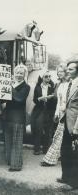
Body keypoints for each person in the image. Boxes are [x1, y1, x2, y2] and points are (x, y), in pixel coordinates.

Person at [3, 65, 30, 171]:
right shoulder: (11, 84)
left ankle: (16, 165)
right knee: (8, 140)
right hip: (8, 115)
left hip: (18, 117)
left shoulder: (26, 87)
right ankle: (10, 161)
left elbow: (19, 98)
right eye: (17, 73)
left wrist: (9, 87)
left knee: (16, 141)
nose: (18, 75)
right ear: (14, 74)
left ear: (24, 75)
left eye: (21, 73)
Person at [41, 66, 69, 166]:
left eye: (62, 71)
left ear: (66, 72)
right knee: (58, 136)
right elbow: (59, 101)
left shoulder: (70, 84)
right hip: (61, 113)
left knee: (60, 136)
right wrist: (57, 113)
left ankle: (50, 159)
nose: (60, 73)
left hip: (68, 113)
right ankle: (52, 159)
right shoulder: (60, 84)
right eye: (58, 71)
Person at [57, 61, 78, 190]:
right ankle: (65, 176)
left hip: (74, 125)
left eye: (71, 69)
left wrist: (76, 128)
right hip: (66, 122)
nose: (67, 71)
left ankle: (74, 182)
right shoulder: (69, 83)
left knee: (74, 154)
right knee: (65, 150)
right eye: (67, 69)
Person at [31, 71, 56, 155]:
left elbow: (55, 100)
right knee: (38, 129)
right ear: (42, 78)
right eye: (46, 76)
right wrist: (40, 99)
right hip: (39, 110)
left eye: (49, 76)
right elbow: (34, 99)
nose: (48, 78)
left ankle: (46, 149)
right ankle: (37, 149)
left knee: (48, 130)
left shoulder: (52, 87)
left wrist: (51, 98)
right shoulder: (37, 87)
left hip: (48, 110)